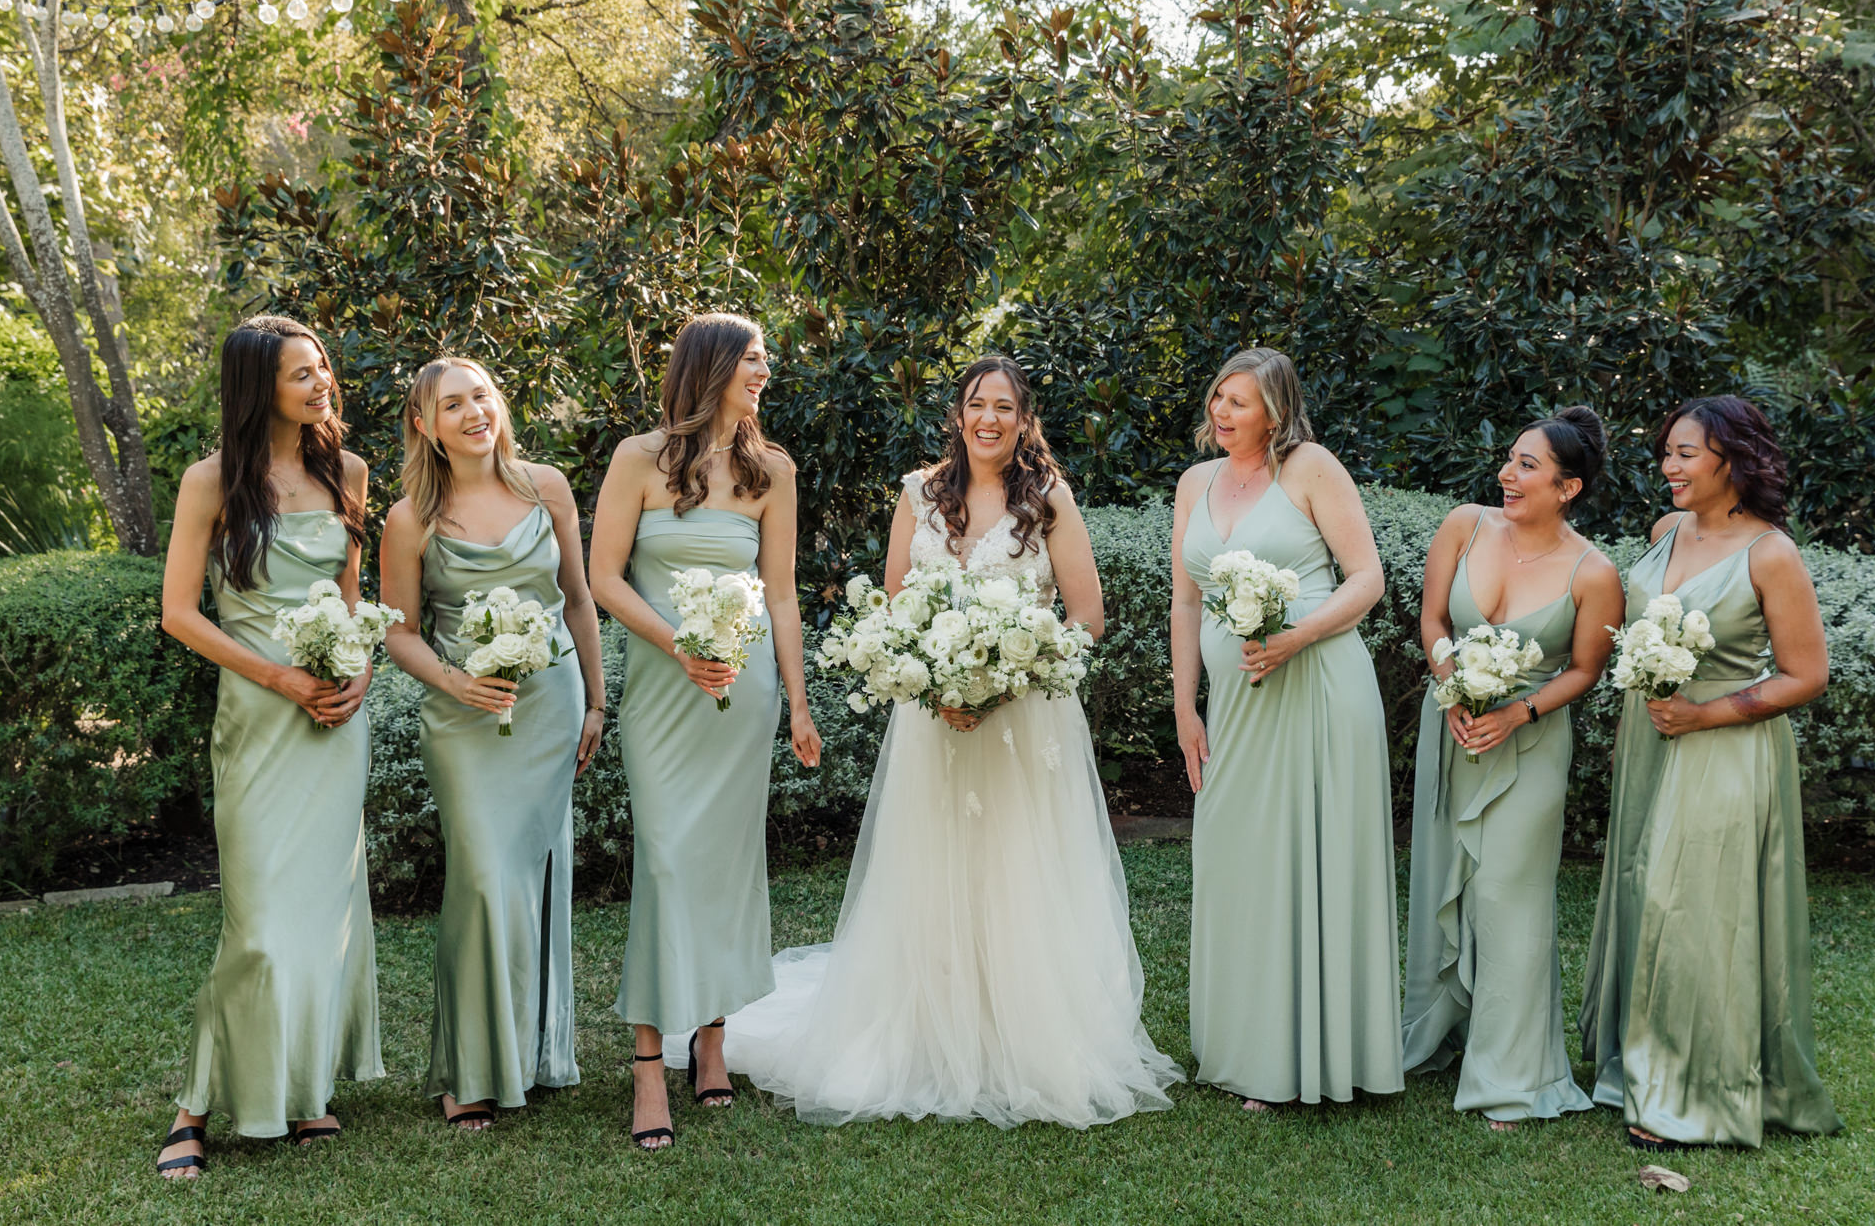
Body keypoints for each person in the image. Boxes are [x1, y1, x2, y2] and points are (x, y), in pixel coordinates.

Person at [715, 356, 1182, 1128]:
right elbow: (897, 606)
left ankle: (1017, 1036)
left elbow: (1087, 616)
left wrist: (1008, 676)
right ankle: (931, 1030)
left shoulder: (1049, 499)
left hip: (1024, 721)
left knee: (1016, 868)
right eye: (976, 404)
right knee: (933, 870)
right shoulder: (918, 494)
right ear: (958, 416)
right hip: (934, 722)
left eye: (1004, 406)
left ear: (1024, 418)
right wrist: (936, 681)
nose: (989, 418)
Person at [1579, 394, 1842, 1149]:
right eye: (1667, 451)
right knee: (1642, 883)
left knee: (1693, 909)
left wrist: (1706, 713)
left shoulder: (1771, 553)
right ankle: (1638, 1063)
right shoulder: (1665, 531)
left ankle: (1694, 1090)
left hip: (1726, 743)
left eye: (1685, 453)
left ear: (1733, 457)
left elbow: (1806, 674)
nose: (1669, 465)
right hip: (1651, 738)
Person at [588, 312, 821, 1150]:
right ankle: (649, 1061)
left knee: (723, 863)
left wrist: (797, 700)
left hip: (742, 692)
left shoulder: (774, 471)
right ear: (711, 365)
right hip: (664, 689)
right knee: (668, 861)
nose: (764, 370)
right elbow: (602, 577)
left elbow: (783, 593)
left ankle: (712, 1038)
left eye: (766, 359)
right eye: (751, 359)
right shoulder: (637, 459)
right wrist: (676, 641)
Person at [154, 315, 380, 1178]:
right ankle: (196, 1106)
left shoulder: (347, 472)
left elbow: (357, 599)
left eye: (322, 365)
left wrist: (356, 676)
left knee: (324, 913)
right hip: (257, 720)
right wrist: (279, 678)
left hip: (333, 724)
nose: (322, 381)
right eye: (300, 373)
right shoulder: (209, 483)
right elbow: (180, 613)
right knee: (256, 923)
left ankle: (306, 1086)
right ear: (258, 388)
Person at [1171, 347, 1402, 1109]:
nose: (1222, 411)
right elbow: (1187, 603)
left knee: (1311, 855)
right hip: (1234, 707)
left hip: (1318, 687)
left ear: (1276, 408)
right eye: (1218, 397)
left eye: (1239, 401)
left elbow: (1367, 576)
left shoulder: (1310, 468)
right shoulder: (1194, 483)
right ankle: (1246, 1044)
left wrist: (1297, 634)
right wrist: (1185, 707)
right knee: (1239, 854)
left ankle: (1320, 1055)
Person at [380, 358, 603, 1131]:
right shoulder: (410, 517)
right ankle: (472, 1066)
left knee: (535, 875)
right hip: (464, 717)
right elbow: (398, 634)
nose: (474, 411)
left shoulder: (549, 487)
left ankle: (534, 1053)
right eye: (452, 404)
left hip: (549, 704)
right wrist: (454, 680)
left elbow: (576, 598)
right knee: (480, 877)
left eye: (481, 395)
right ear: (426, 424)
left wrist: (598, 700)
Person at [1401, 409, 1622, 1126]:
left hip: (1529, 742)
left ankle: (1512, 1075)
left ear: (1569, 486)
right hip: (1456, 728)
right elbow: (1434, 621)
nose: (1507, 473)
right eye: (1510, 458)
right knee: (1448, 880)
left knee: (1510, 895)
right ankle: (1443, 1032)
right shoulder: (1464, 525)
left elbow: (1587, 667)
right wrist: (1454, 683)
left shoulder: (1594, 571)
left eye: (1528, 465)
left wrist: (1516, 713)